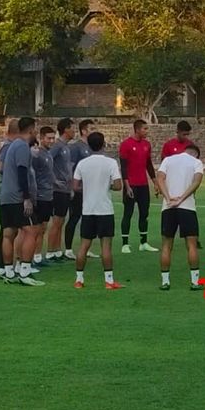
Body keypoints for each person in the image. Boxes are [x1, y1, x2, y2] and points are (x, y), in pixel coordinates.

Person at [72, 132, 124, 289]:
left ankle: (79, 280)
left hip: (88, 210)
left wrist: (87, 187)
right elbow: (118, 185)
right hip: (105, 210)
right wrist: (106, 185)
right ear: (104, 144)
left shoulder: (83, 163)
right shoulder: (110, 163)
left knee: (83, 246)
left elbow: (75, 186)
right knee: (106, 247)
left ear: (89, 145)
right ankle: (109, 281)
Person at [0, 117, 45, 286]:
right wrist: (26, 198)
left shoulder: (14, 146)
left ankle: (8, 272)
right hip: (17, 196)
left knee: (9, 232)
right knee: (33, 230)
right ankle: (25, 271)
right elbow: (21, 173)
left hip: (6, 196)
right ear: (31, 130)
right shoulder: (22, 147)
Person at [157, 144, 204, 291]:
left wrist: (168, 198)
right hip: (187, 207)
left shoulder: (168, 160)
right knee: (191, 245)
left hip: (168, 207)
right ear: (196, 154)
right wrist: (182, 198)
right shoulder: (196, 163)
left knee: (166, 245)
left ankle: (165, 281)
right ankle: (195, 281)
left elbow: (160, 178)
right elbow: (196, 182)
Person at [119, 119, 159, 253]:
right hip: (131, 185)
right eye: (145, 129)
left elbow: (149, 165)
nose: (147, 131)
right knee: (128, 213)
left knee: (144, 213)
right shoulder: (126, 145)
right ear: (137, 129)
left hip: (143, 185)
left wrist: (155, 182)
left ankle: (144, 242)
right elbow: (123, 167)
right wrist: (127, 186)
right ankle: (125, 244)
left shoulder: (147, 145)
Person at [64, 119, 98, 260]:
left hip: (90, 190)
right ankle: (68, 249)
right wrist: (72, 186)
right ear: (83, 131)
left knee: (88, 218)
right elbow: (70, 167)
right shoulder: (76, 147)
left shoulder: (93, 147)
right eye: (91, 128)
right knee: (74, 216)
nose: (93, 131)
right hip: (79, 190)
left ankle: (85, 247)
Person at [46, 118, 75, 263]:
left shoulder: (66, 147)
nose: (74, 131)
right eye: (72, 128)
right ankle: (51, 252)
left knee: (61, 220)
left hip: (65, 189)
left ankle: (57, 251)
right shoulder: (57, 146)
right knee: (56, 221)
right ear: (66, 130)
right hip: (57, 190)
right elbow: (47, 161)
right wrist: (54, 180)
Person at [0, 119, 19, 279]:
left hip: (6, 191)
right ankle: (2, 266)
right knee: (7, 230)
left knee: (9, 230)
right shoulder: (8, 146)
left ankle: (4, 265)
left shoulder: (5, 145)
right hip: (6, 192)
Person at [31, 126, 56, 267]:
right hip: (40, 196)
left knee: (43, 227)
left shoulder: (48, 154)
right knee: (37, 228)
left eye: (53, 138)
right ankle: (32, 256)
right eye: (49, 138)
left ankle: (38, 256)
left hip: (48, 195)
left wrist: (55, 182)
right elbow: (32, 174)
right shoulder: (37, 155)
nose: (51, 141)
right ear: (41, 138)